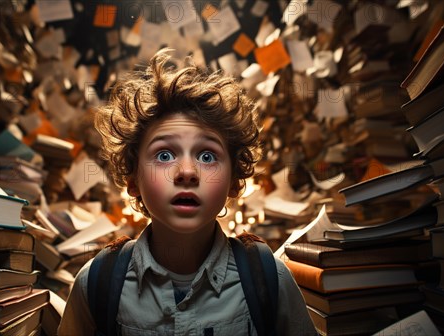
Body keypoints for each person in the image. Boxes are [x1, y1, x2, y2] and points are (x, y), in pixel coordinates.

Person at [58, 49, 316, 335]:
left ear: (234, 180)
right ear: (132, 180)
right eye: (164, 155)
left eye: (207, 156)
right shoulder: (97, 283)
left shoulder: (269, 280)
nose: (187, 172)